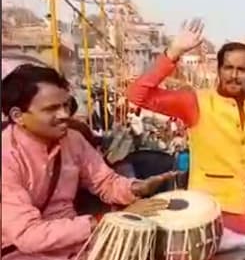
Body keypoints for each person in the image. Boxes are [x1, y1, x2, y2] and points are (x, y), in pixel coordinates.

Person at [127, 19, 245, 250]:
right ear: (219, 70)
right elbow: (137, 94)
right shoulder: (195, 102)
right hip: (210, 214)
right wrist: (174, 51)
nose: (234, 75)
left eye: (242, 70)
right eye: (228, 68)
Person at [1, 64, 175, 260]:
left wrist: (136, 188)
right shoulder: (6, 158)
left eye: (65, 105)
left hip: (77, 245)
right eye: (51, 109)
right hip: (23, 253)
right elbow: (28, 235)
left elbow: (105, 182)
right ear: (18, 116)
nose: (64, 115)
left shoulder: (73, 139)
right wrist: (104, 221)